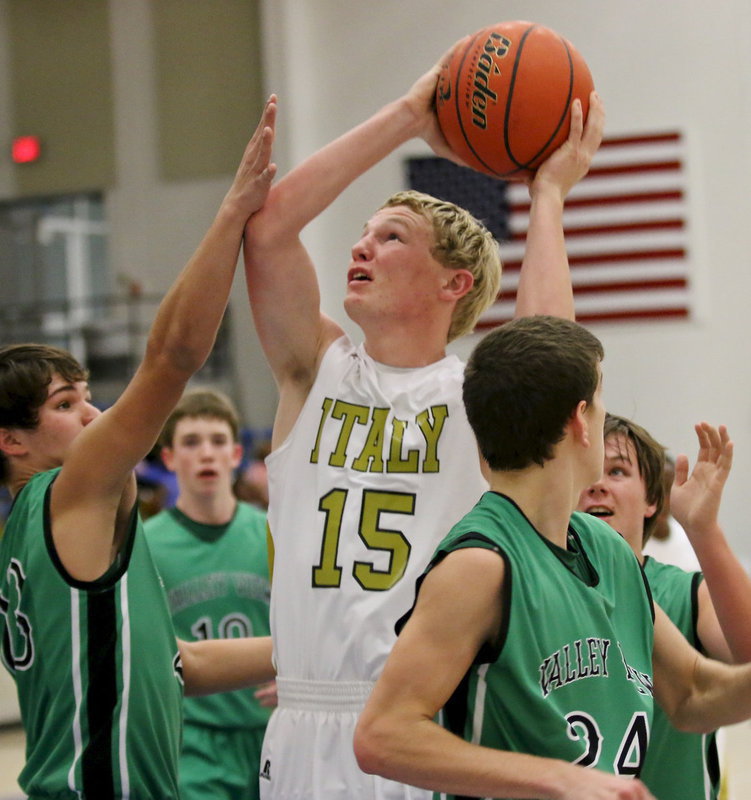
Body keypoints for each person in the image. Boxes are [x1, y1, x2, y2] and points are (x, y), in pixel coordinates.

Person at [242, 40, 605, 800]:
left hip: (420, 728)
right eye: (365, 232)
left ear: (454, 283)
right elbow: (270, 225)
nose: (360, 246)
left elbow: (552, 348)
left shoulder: (473, 395)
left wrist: (547, 196)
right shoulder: (316, 370)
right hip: (302, 721)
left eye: (390, 236)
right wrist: (409, 115)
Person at [0, 98, 278, 800]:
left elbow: (175, 663)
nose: (93, 413)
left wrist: (341, 651)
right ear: (12, 441)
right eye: (65, 405)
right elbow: (174, 355)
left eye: (87, 392)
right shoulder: (67, 493)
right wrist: (231, 214)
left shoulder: (26, 535)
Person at [354, 315, 751, 800]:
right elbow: (382, 735)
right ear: (579, 420)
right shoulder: (481, 563)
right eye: (602, 401)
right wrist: (560, 778)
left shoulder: (607, 548)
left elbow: (692, 692)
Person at [578, 413, 751, 799]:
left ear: (652, 500)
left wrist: (704, 529)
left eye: (617, 471)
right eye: (586, 472)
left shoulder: (684, 592)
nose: (598, 486)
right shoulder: (533, 587)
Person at [144, 388, 274, 800]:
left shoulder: (274, 533)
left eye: (218, 442)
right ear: (168, 458)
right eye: (191, 442)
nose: (206, 454)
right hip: (195, 744)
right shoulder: (144, 546)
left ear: (236, 455)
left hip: (273, 731)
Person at [642, 454, 701, 572]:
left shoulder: (689, 537)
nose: (662, 501)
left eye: (669, 490)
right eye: (655, 491)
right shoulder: (629, 543)